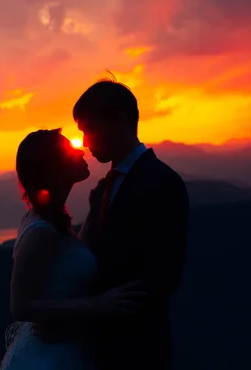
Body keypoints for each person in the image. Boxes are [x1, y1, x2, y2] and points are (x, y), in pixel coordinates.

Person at [0, 128, 147, 370]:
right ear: (54, 167)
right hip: (49, 360)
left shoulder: (53, 219)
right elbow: (21, 305)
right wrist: (99, 305)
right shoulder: (41, 231)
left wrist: (94, 209)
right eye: (69, 150)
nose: (80, 151)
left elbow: (69, 260)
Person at [74, 80, 190, 369]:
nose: (86, 142)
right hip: (97, 347)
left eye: (90, 129)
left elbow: (165, 273)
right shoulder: (103, 189)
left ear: (120, 119)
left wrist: (103, 307)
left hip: (138, 348)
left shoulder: (163, 182)